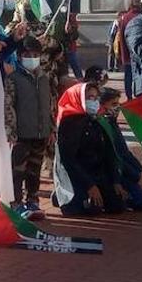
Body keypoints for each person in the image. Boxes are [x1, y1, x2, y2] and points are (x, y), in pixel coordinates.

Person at [53, 82, 125, 216]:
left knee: (117, 204)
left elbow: (108, 152)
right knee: (90, 209)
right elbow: (69, 160)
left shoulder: (95, 120)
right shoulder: (69, 124)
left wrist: (115, 180)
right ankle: (61, 196)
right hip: (77, 175)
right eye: (89, 97)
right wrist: (90, 185)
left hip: (96, 172)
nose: (94, 101)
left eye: (96, 98)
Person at [4, 37, 53, 220]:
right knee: (18, 171)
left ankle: (32, 199)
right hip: (21, 134)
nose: (31, 58)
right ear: (19, 56)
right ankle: (16, 203)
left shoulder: (44, 78)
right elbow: (8, 106)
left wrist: (51, 128)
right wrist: (11, 131)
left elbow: (49, 105)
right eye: (27, 55)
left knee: (34, 169)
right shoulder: (14, 79)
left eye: (35, 55)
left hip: (40, 132)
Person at [97, 86, 142, 211]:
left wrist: (140, 172)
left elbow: (124, 151)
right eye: (113, 104)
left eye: (118, 103)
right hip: (113, 172)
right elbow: (113, 157)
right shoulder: (101, 125)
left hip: (124, 169)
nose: (117, 107)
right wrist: (134, 176)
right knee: (140, 203)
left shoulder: (112, 122)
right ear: (102, 105)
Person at [115, 0, 142, 98]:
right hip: (140, 53)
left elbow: (120, 36)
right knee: (139, 75)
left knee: (128, 76)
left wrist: (121, 53)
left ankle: (129, 96)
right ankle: (138, 94)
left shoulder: (125, 17)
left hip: (127, 51)